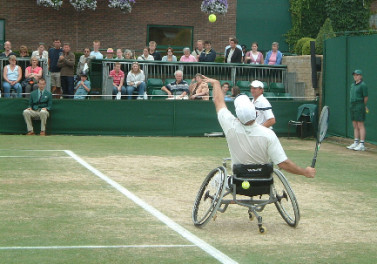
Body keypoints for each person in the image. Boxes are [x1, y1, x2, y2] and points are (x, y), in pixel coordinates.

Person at [204, 75, 315, 178]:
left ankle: (233, 199)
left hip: (238, 182)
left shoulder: (230, 126)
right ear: (256, 113)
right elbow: (283, 163)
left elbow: (218, 101)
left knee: (218, 179)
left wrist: (216, 84)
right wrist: (305, 172)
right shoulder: (269, 134)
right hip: (263, 183)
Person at [347, 69, 368, 151]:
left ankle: (362, 144)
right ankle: (356, 142)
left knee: (360, 125)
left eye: (357, 75)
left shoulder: (363, 85)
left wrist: (363, 105)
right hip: (352, 106)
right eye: (354, 75)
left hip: (360, 105)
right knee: (355, 125)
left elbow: (366, 97)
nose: (355, 76)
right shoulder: (352, 85)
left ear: (361, 76)